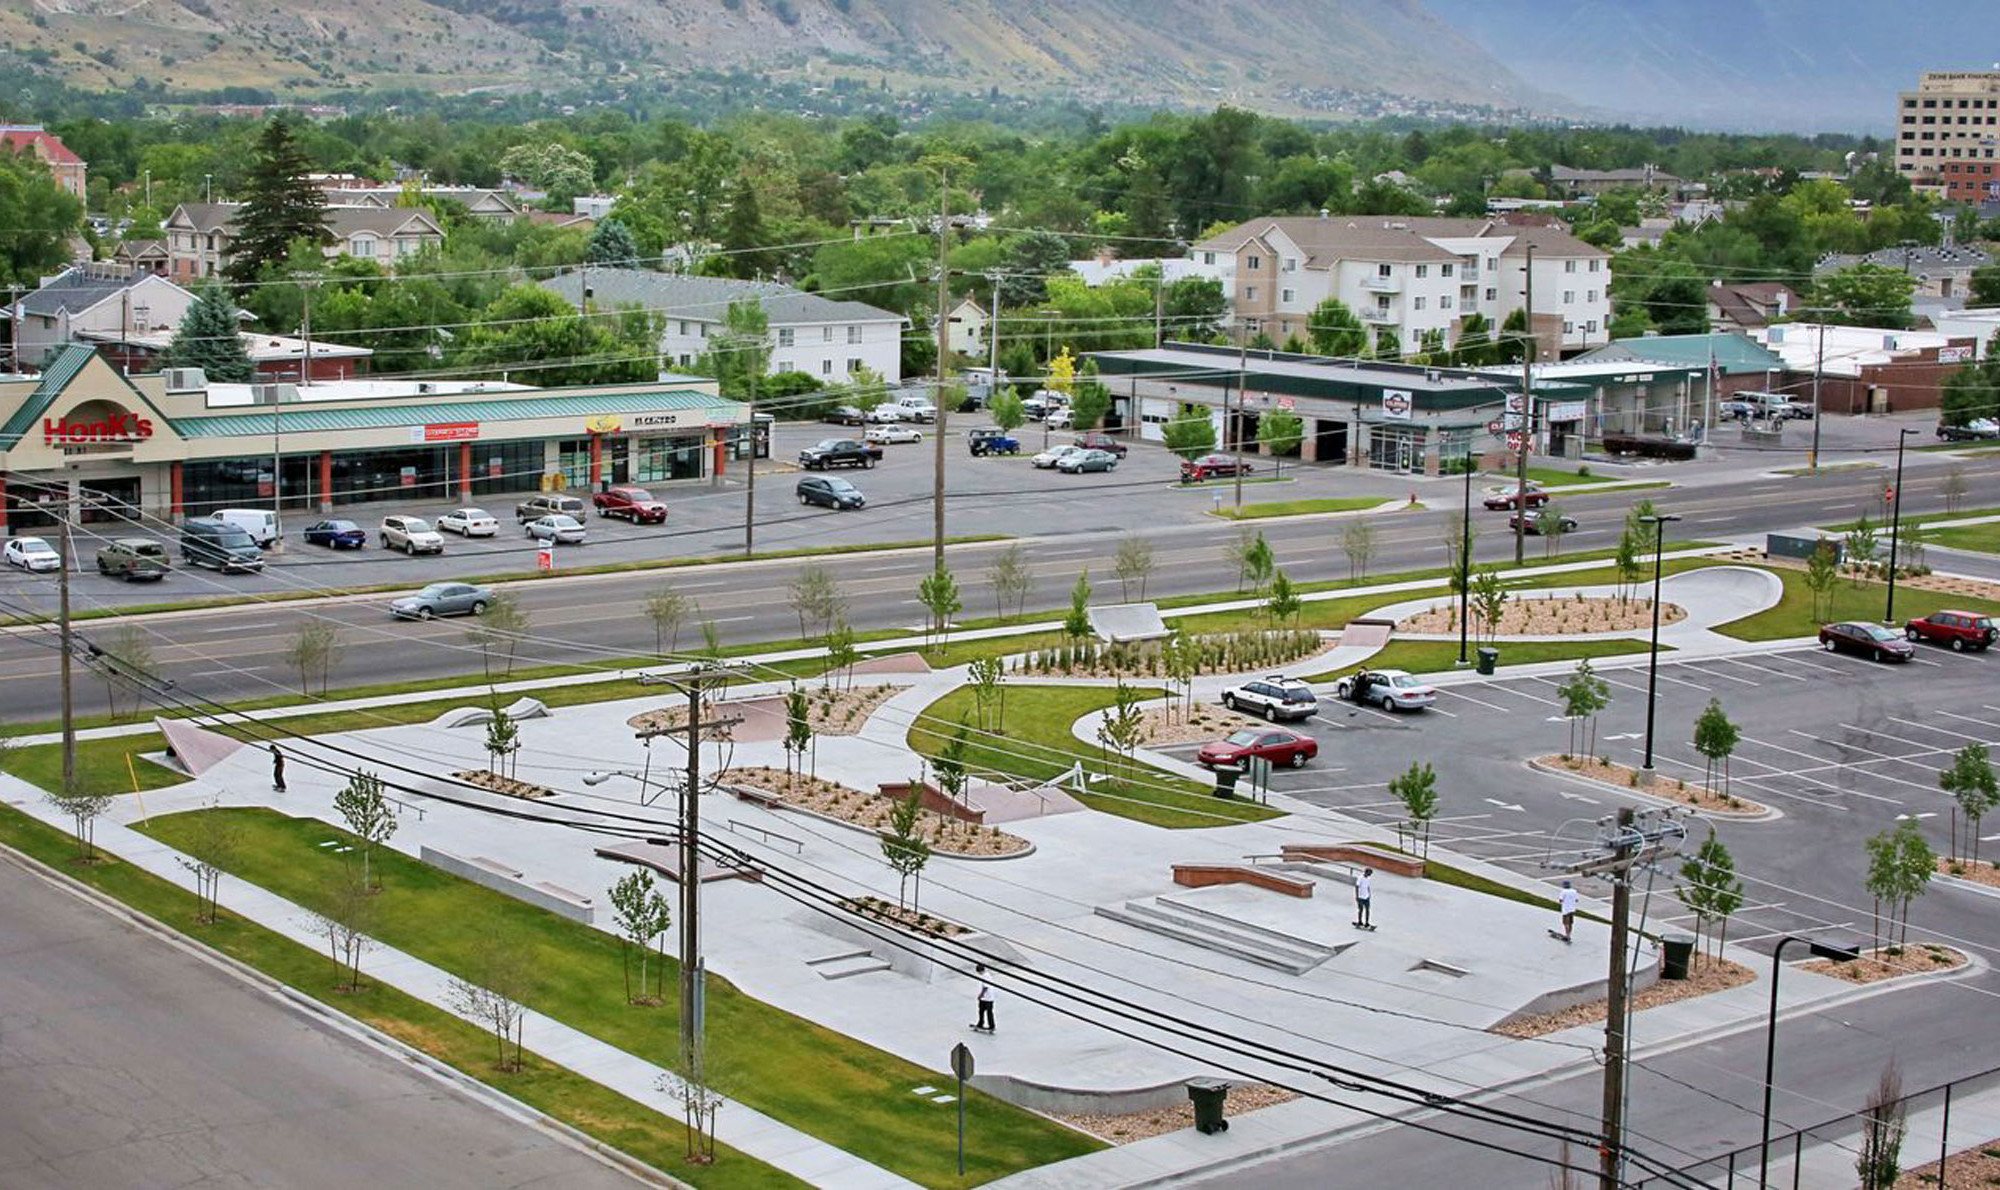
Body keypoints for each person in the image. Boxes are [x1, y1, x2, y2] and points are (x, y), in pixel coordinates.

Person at [973, 964, 995, 1032]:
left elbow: (986, 987)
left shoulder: (986, 976)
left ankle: (991, 1026)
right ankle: (980, 1023)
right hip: (985, 998)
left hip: (988, 998)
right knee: (981, 1011)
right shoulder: (984, 975)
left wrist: (981, 995)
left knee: (988, 1012)